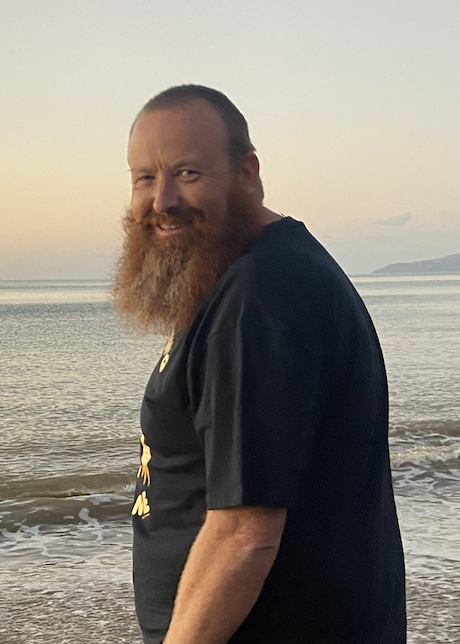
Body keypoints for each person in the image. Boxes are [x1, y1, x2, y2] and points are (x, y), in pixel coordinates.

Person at [113, 84, 406, 644]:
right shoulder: (254, 275)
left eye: (188, 173)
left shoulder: (257, 300)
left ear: (247, 172)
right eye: (144, 178)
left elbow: (245, 531)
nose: (162, 200)